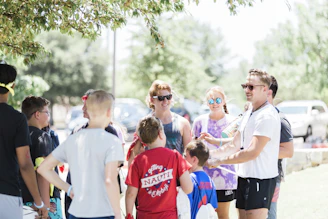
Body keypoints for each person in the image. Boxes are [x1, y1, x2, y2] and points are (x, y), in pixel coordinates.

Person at [38, 90, 124, 219]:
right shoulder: (112, 141)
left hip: (76, 211)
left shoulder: (74, 139)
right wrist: (117, 213)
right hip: (103, 211)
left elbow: (43, 168)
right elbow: (110, 180)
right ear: (108, 112)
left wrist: (69, 189)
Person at [207, 69, 281, 219]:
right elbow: (234, 144)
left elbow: (251, 152)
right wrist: (208, 155)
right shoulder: (249, 112)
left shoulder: (267, 115)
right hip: (244, 178)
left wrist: (219, 161)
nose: (247, 90)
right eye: (245, 86)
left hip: (260, 180)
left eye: (251, 87)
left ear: (265, 89)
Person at [64, 89, 122, 219]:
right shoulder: (77, 131)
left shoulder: (110, 132)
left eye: (87, 103)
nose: (83, 107)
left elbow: (113, 173)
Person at [0, 63, 47, 218]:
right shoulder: (17, 119)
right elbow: (25, 164)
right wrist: (39, 202)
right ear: (12, 85)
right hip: (8, 194)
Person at [125, 115, 193, 219]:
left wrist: (129, 215)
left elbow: (130, 193)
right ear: (161, 133)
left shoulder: (138, 161)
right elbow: (188, 188)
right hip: (169, 216)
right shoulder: (174, 156)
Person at [192, 86, 237, 219]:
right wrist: (198, 143)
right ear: (207, 103)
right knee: (203, 214)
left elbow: (237, 145)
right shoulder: (199, 121)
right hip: (203, 176)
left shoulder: (233, 121)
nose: (215, 103)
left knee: (223, 215)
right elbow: (191, 148)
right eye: (211, 101)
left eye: (218, 99)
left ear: (224, 101)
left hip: (226, 176)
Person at [127, 80, 192, 164]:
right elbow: (134, 152)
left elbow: (189, 154)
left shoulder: (183, 123)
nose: (165, 101)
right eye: (161, 98)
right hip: (151, 173)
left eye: (168, 97)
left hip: (176, 174)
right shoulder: (144, 123)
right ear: (152, 100)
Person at [21, 96, 62, 219]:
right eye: (47, 112)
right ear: (37, 115)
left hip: (22, 201)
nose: (48, 116)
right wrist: (45, 206)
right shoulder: (42, 136)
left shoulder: (18, 135)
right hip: (43, 202)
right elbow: (43, 172)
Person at [267, 76, 294, 219]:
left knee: (269, 215)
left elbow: (288, 151)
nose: (248, 91)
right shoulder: (250, 115)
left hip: (272, 177)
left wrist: (258, 152)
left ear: (268, 92)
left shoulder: (280, 119)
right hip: (250, 176)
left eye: (253, 87)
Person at [185, 140, 218, 219]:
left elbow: (185, 206)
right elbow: (214, 207)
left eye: (186, 156)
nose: (184, 159)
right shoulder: (210, 181)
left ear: (194, 160)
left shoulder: (189, 179)